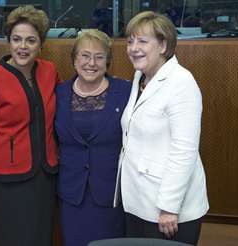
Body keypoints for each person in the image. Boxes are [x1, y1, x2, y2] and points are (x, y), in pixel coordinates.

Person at [114, 11, 209, 245]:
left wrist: (169, 207)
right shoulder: (140, 77)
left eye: (142, 41)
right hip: (138, 201)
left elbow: (184, 151)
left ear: (163, 45)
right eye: (130, 41)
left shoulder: (182, 83)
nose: (133, 48)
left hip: (168, 209)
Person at [0, 5, 59, 246]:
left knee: (40, 239)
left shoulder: (49, 72)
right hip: (6, 183)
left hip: (44, 178)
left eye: (31, 40)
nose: (23, 46)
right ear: (8, 41)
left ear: (41, 44)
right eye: (17, 39)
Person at [55, 29, 131, 246]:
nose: (92, 63)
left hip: (110, 195)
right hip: (72, 195)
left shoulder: (125, 91)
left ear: (108, 62)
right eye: (85, 55)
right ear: (74, 59)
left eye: (99, 57)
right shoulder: (58, 93)